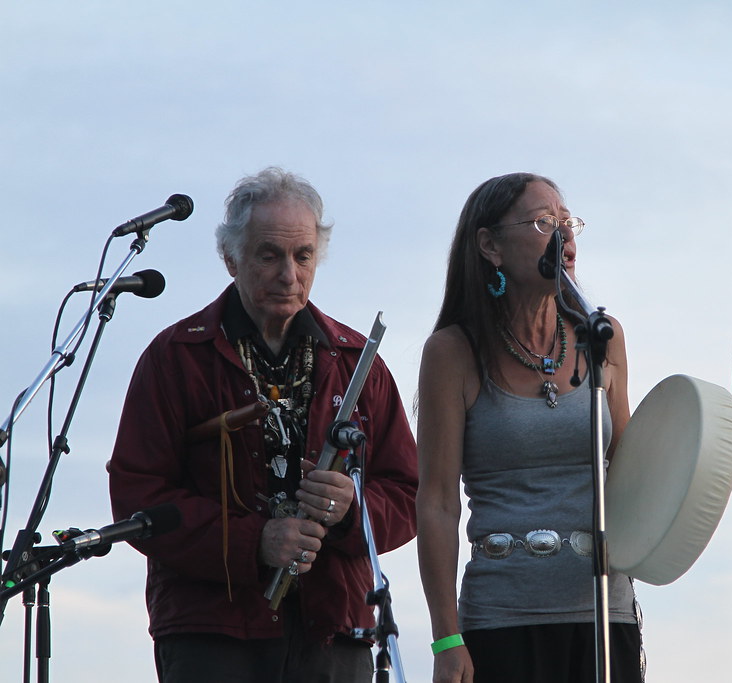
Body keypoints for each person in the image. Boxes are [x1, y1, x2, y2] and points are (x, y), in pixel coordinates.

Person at [108, 167, 418, 683]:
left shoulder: (357, 362)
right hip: (214, 633)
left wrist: (351, 508)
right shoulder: (176, 356)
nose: (289, 275)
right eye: (269, 255)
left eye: (303, 256)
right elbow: (137, 494)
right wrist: (254, 541)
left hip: (333, 629)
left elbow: (409, 493)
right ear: (231, 258)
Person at [416, 173, 643, 683]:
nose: (564, 237)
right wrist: (446, 639)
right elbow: (437, 502)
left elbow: (630, 472)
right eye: (543, 223)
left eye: (567, 222)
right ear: (490, 245)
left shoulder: (603, 338)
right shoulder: (453, 352)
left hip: (605, 614)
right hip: (501, 621)